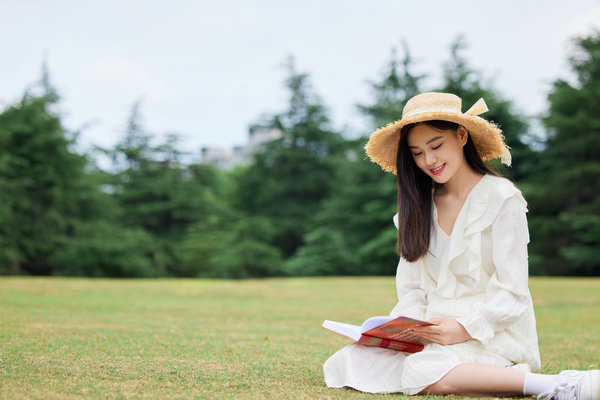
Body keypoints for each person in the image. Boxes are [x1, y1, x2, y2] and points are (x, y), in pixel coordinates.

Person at [323, 92, 599, 399]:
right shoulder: (416, 208)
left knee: (419, 370)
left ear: (462, 135)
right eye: (416, 153)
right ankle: (486, 378)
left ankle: (555, 385)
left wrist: (465, 328)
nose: (429, 160)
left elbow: (513, 290)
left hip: (491, 332)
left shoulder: (502, 198)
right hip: (432, 334)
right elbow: (412, 289)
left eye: (436, 145)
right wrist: (408, 331)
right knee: (348, 361)